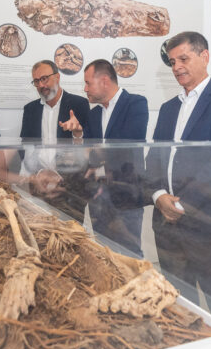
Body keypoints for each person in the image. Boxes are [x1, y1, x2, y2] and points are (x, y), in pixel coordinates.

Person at [145, 31, 211, 336]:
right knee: (180, 301)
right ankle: (191, 348)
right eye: (172, 61)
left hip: (207, 221)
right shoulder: (168, 109)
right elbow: (154, 159)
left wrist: (182, 204)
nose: (176, 66)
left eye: (183, 59)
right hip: (166, 222)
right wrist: (158, 196)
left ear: (204, 56)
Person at [61, 59, 148, 255]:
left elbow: (125, 146)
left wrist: (94, 153)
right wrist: (78, 134)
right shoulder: (94, 114)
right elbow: (89, 158)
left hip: (126, 197)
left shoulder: (136, 104)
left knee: (129, 255)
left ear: (105, 81)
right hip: (99, 198)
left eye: (88, 83)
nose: (85, 89)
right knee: (103, 254)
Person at [17, 60, 91, 221]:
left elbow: (88, 150)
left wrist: (77, 133)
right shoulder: (30, 109)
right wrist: (37, 176)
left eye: (45, 79)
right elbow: (25, 147)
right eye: (36, 81)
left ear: (57, 77)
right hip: (39, 188)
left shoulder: (79, 104)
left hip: (69, 189)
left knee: (72, 238)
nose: (41, 85)